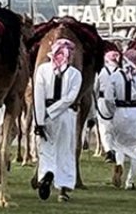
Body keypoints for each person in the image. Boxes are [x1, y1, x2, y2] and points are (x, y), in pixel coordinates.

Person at [33, 38, 82, 203]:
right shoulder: (75, 74)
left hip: (46, 115)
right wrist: (54, 111)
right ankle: (63, 189)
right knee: (65, 150)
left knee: (46, 149)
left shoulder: (42, 70)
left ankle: (46, 173)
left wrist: (41, 119)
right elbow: (70, 99)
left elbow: (38, 96)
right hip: (66, 115)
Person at [105, 50, 136, 190]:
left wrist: (112, 111)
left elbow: (108, 98)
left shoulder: (114, 77)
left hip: (119, 110)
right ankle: (130, 181)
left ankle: (119, 163)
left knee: (119, 144)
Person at [93, 50, 122, 164]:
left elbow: (95, 87)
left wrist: (96, 100)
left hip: (102, 100)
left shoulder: (101, 71)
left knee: (104, 126)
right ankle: (115, 149)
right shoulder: (121, 72)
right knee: (116, 127)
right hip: (118, 101)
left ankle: (108, 150)